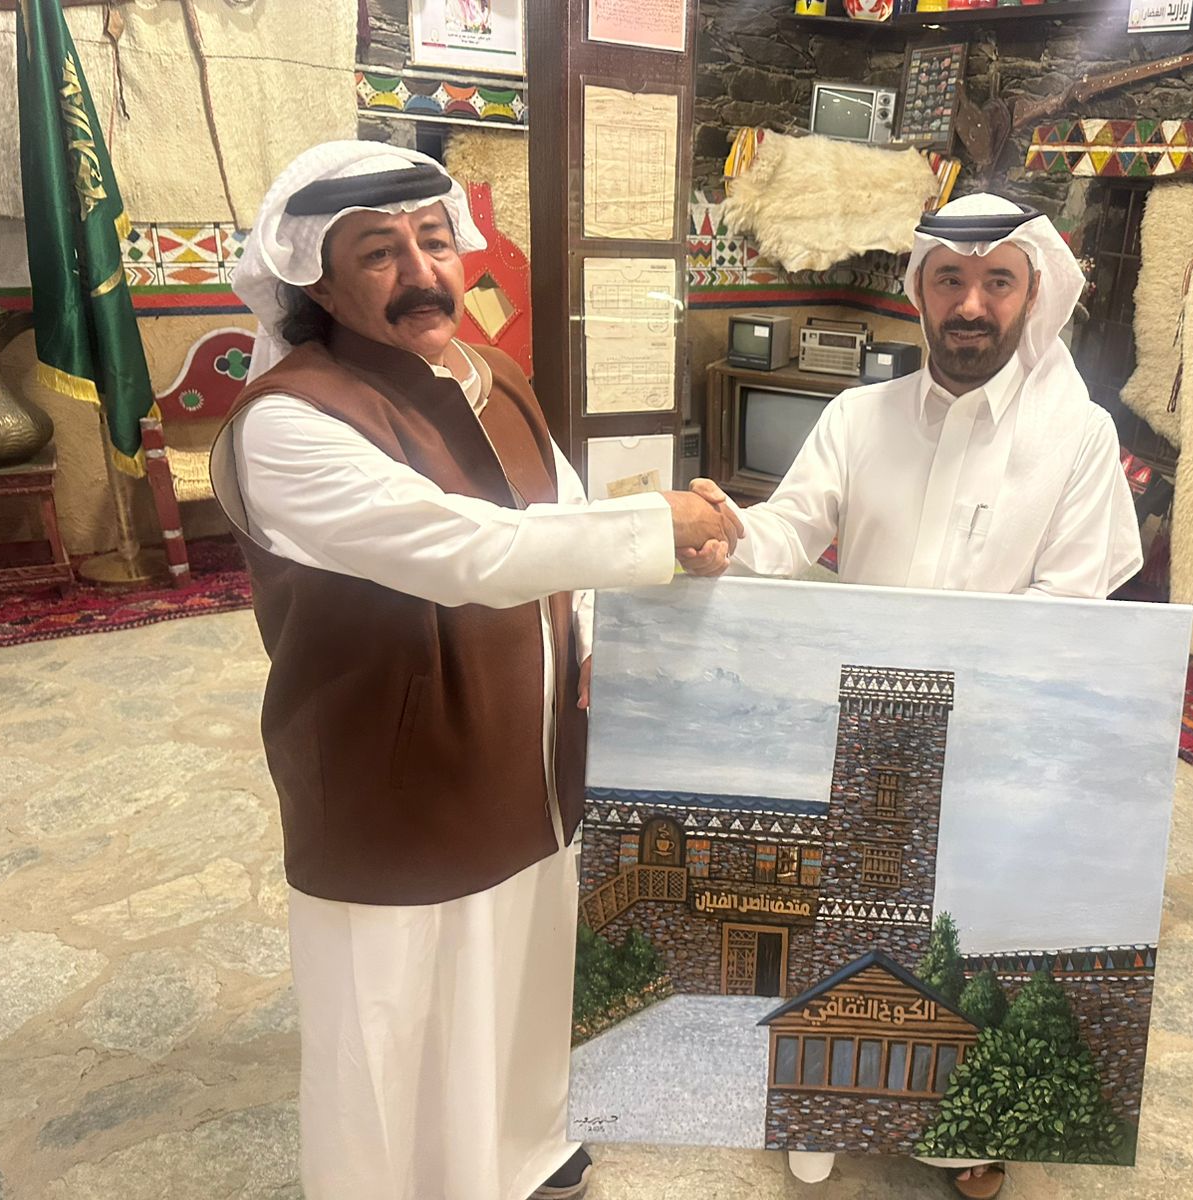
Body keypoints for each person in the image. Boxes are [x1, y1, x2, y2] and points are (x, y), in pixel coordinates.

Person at [211, 141, 740, 1200]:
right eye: (379, 252)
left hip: (529, 751)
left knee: (524, 965)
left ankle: (522, 1153)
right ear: (317, 281)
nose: (421, 272)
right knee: (391, 1010)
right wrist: (659, 524)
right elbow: (467, 551)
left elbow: (559, 517)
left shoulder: (494, 375)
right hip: (391, 770)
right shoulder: (287, 420)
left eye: (434, 240)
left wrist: (599, 633)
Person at [684, 192, 1142, 1198]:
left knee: (963, 935)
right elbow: (787, 533)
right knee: (848, 920)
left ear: (1032, 293)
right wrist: (724, 532)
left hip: (993, 739)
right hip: (865, 729)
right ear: (922, 293)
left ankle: (956, 1125)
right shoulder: (858, 418)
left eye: (996, 281)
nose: (971, 303)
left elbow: (1070, 607)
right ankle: (819, 1106)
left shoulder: (1077, 437)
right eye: (950, 280)